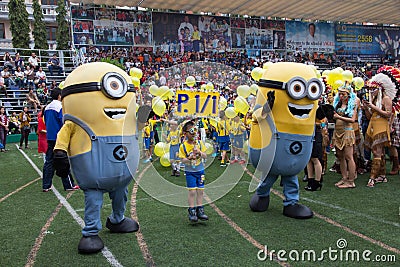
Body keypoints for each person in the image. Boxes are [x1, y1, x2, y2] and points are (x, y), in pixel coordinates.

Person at [363, 70, 396, 188]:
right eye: (370, 89)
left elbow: (388, 114)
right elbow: (369, 116)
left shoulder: (386, 99)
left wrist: (373, 107)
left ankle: (372, 178)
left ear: (380, 89)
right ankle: (382, 175)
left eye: (374, 89)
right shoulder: (374, 100)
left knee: (377, 151)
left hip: (381, 127)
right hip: (373, 125)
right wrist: (366, 108)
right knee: (377, 151)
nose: (371, 91)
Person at [42, 88, 79, 192]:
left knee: (49, 162)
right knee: (63, 161)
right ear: (59, 96)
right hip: (59, 139)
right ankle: (68, 185)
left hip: (50, 137)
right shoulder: (60, 107)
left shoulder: (47, 107)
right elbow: (63, 122)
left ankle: (46, 185)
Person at [179, 120, 208, 222]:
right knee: (192, 191)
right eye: (191, 131)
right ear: (185, 133)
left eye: (194, 130)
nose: (193, 133)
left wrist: (199, 152)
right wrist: (190, 158)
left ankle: (200, 210)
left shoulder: (199, 143)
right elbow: (183, 160)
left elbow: (205, 156)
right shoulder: (183, 146)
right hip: (190, 172)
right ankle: (192, 211)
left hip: (200, 171)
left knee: (200, 191)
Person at [332, 85, 357, 189]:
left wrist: (338, 117)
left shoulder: (353, 105)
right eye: (340, 94)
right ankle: (344, 178)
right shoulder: (337, 104)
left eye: (344, 94)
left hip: (347, 132)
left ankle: (351, 181)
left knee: (348, 156)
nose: (341, 96)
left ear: (348, 95)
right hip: (337, 132)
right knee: (340, 156)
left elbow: (352, 119)